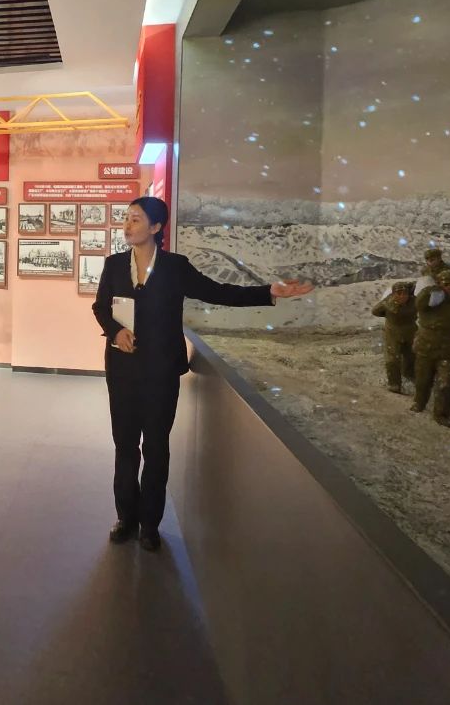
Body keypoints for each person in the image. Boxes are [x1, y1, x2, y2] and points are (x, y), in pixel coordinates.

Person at [91, 197, 312, 552]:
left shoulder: (175, 267)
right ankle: (125, 518)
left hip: (161, 372)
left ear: (156, 227)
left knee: (156, 448)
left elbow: (217, 292)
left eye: (136, 219)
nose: (127, 225)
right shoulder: (115, 265)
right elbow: (101, 307)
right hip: (122, 370)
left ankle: (149, 524)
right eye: (126, 218)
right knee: (125, 446)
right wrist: (116, 332)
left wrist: (269, 292)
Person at [411, 268, 450, 425]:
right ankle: (419, 402)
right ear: (439, 283)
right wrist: (433, 290)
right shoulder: (431, 297)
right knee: (423, 379)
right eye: (446, 284)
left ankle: (442, 414)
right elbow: (419, 303)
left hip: (448, 349)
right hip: (426, 345)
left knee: (447, 384)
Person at [371, 280, 417, 394]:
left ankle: (409, 377)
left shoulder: (414, 301)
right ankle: (394, 383)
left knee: (411, 356)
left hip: (410, 332)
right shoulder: (388, 302)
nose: (402, 296)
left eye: (405, 293)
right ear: (393, 294)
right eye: (399, 293)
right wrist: (388, 315)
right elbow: (375, 311)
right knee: (392, 359)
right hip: (393, 333)